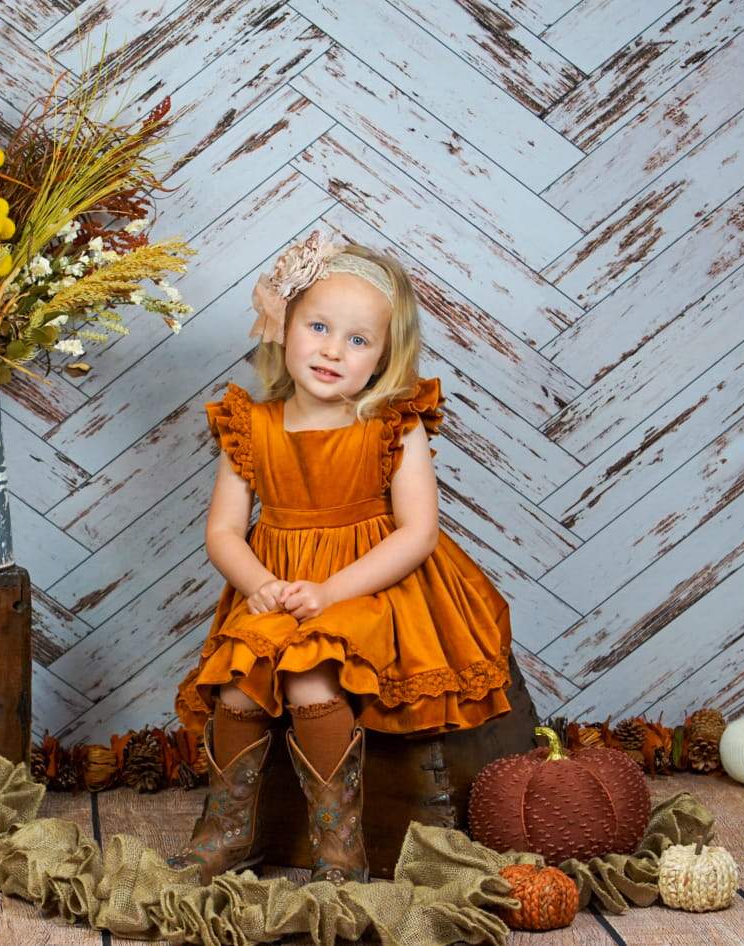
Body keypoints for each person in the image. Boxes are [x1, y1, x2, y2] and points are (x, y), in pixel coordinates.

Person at [167, 230, 514, 886]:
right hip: (278, 589)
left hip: (371, 589)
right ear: (283, 325)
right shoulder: (252, 426)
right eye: (319, 327)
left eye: (358, 340)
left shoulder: (391, 425)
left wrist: (327, 594)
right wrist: (262, 586)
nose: (332, 350)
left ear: (384, 357)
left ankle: (339, 851)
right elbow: (222, 533)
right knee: (241, 687)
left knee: (306, 679)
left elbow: (417, 532)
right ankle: (226, 833)